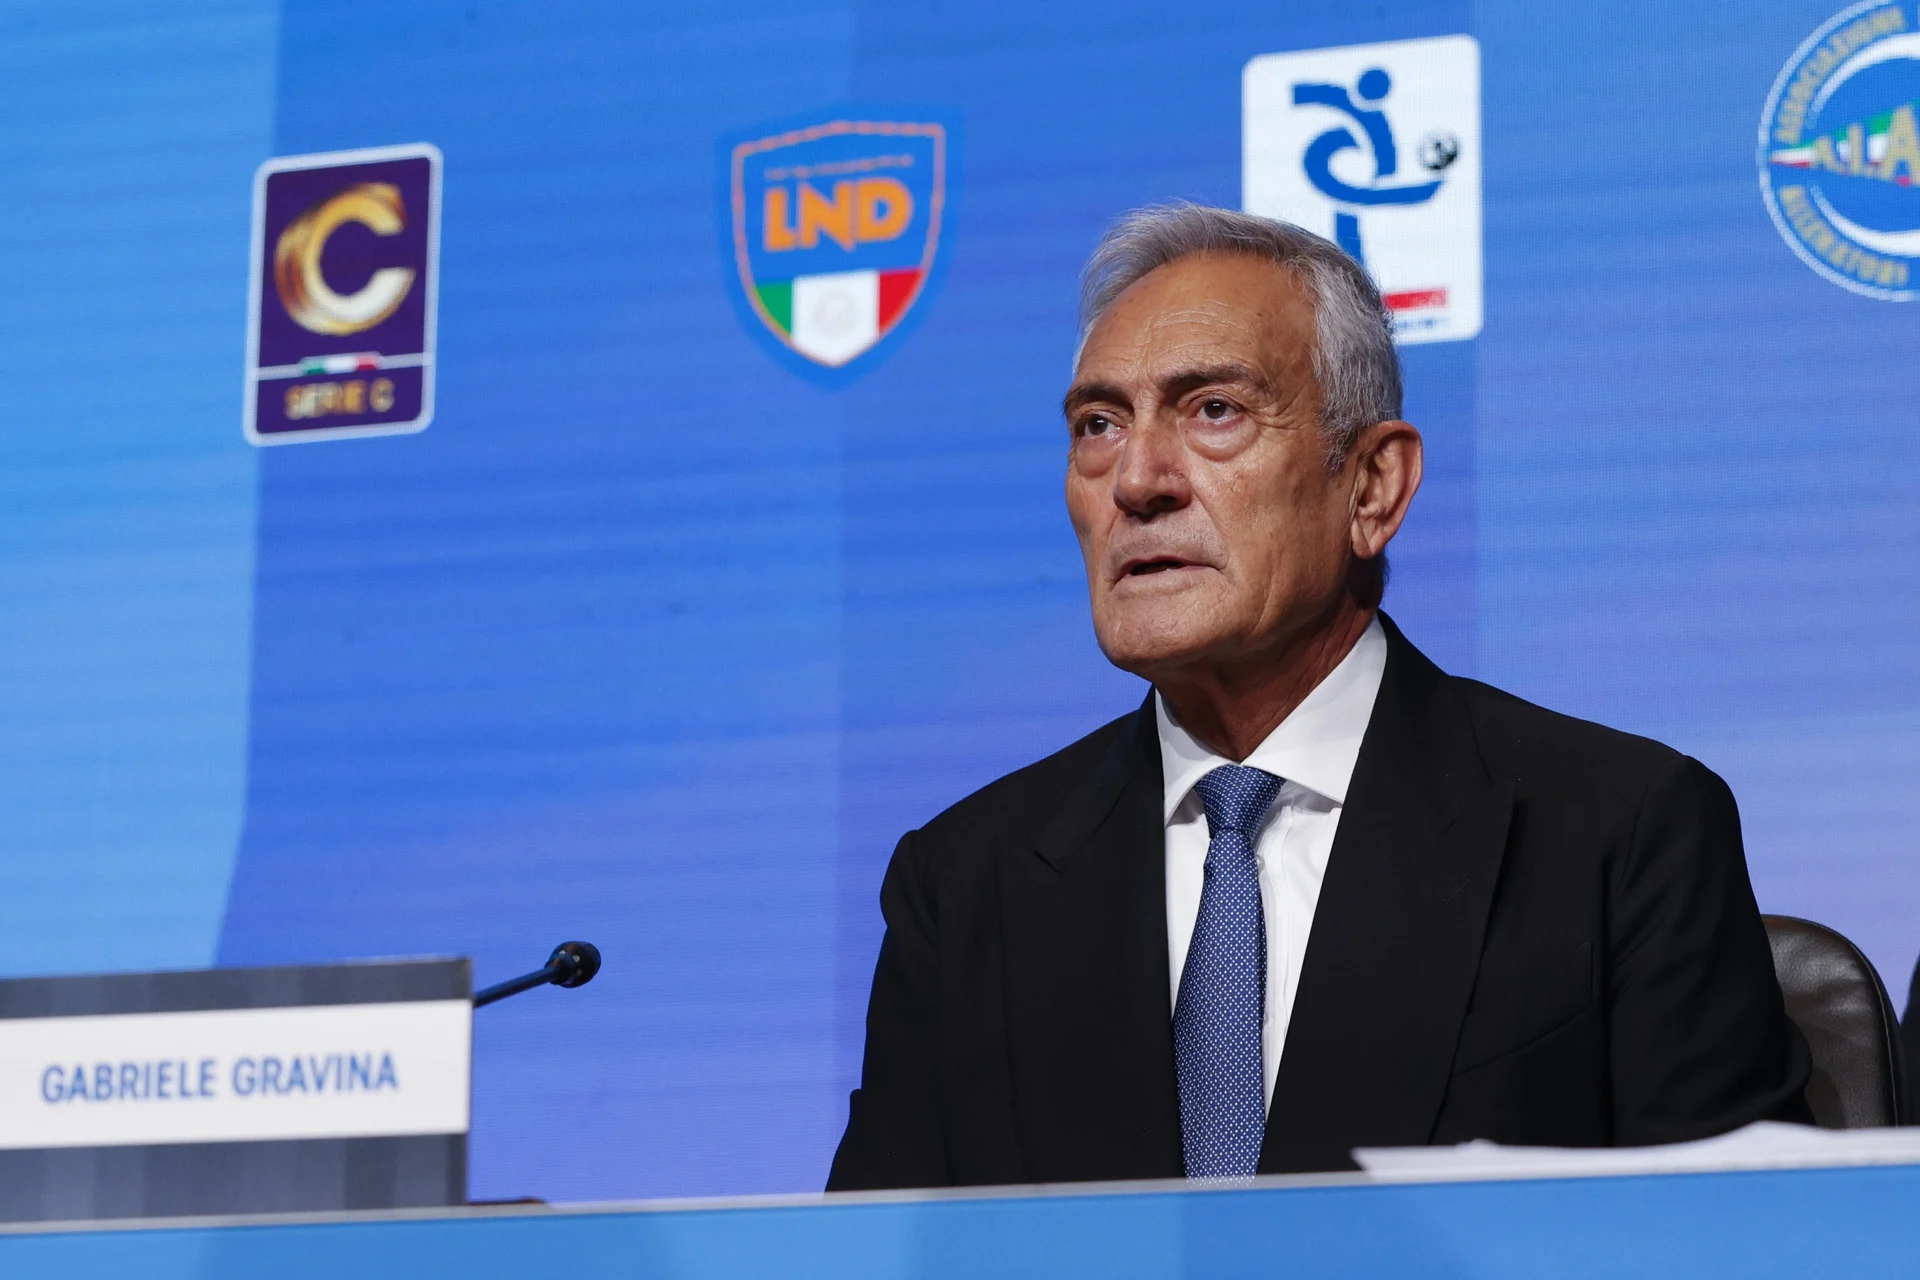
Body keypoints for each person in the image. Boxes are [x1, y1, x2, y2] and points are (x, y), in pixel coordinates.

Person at [826, 204, 1811, 1190]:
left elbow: (1739, 1243)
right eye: (1099, 425)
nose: (1137, 480)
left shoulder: (1618, 833)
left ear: (1373, 485)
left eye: (1214, 410)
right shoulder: (966, 887)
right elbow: (867, 1251)